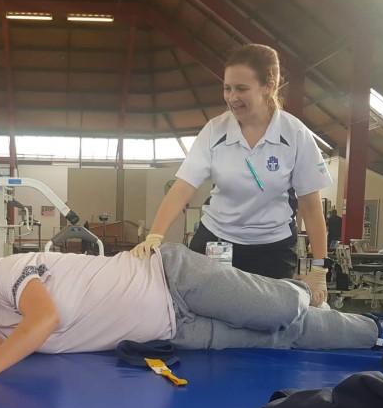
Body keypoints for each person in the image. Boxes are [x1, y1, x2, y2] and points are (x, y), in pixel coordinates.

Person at [0, 245, 383, 384]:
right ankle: (382, 329)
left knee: (281, 308)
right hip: (175, 330)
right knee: (281, 341)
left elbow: (43, 322)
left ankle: (300, 286)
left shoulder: (9, 277)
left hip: (172, 277)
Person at [130, 44, 331, 306]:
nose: (232, 97)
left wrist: (319, 268)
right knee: (201, 310)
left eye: (242, 89)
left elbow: (312, 208)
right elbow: (183, 187)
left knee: (269, 319)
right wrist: (155, 235)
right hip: (217, 238)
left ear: (268, 86)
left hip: (272, 247)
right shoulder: (215, 130)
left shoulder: (295, 134)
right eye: (227, 88)